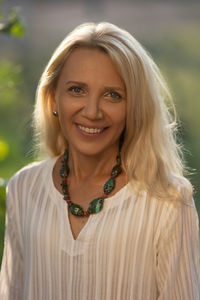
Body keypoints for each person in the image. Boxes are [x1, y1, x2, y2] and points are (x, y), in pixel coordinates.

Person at [0, 22, 199, 300]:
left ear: (134, 108)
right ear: (52, 98)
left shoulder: (169, 200)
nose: (92, 112)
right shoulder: (23, 189)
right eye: (77, 90)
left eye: (112, 95)